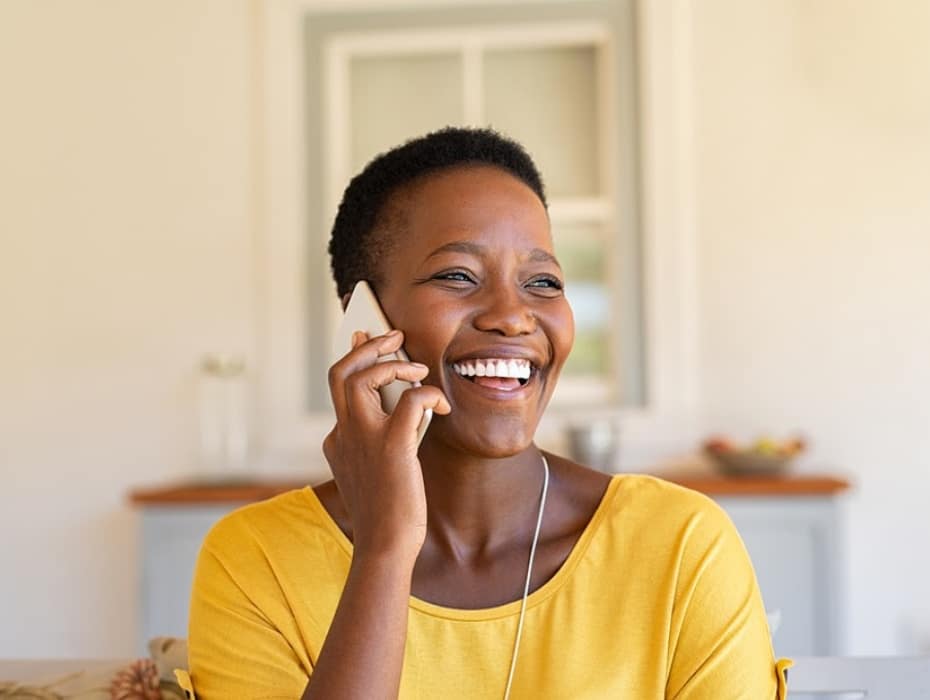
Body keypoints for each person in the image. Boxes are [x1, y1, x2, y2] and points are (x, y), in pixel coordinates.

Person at [185, 127, 790, 699]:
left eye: (544, 283)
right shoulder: (253, 559)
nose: (513, 315)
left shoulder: (681, 543)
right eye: (458, 276)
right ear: (365, 319)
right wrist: (385, 549)